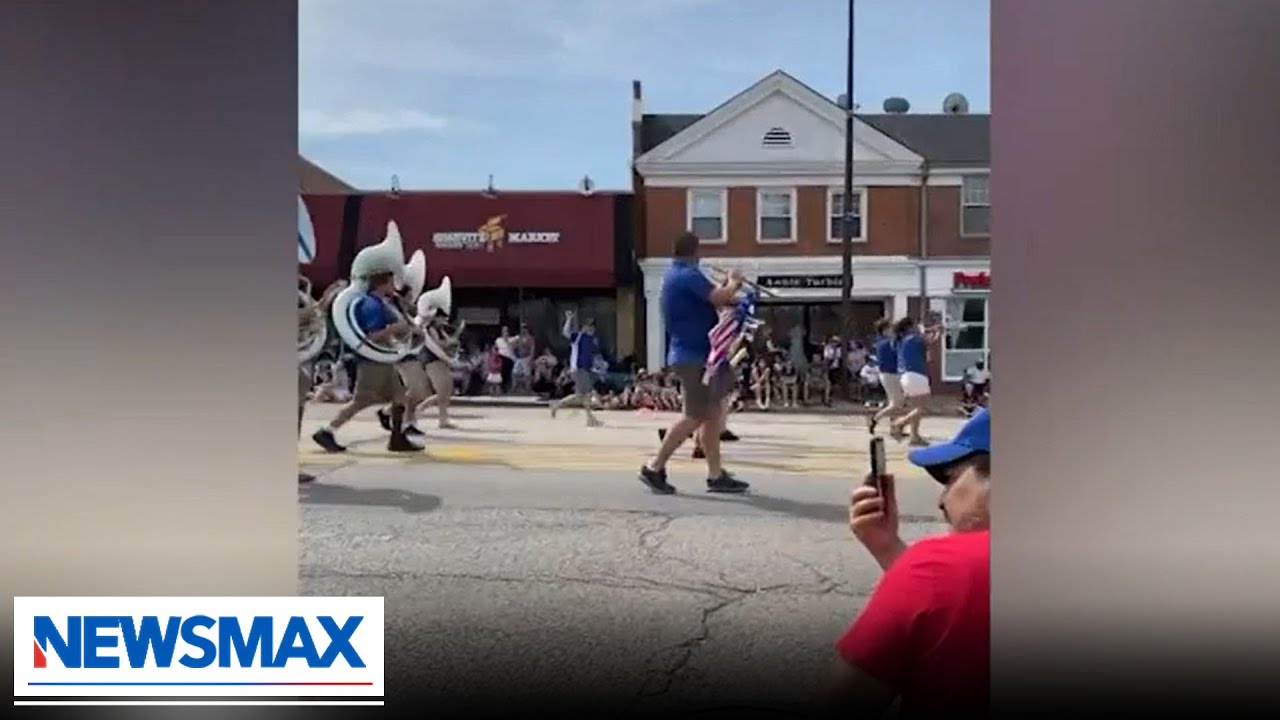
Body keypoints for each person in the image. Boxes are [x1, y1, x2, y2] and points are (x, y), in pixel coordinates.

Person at [816, 409, 991, 718]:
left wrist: (913, 570)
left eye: (950, 478)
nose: (941, 500)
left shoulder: (937, 569)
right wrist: (889, 550)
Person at [639, 232, 750, 495]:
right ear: (695, 250)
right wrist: (734, 282)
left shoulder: (676, 275)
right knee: (695, 415)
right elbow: (719, 298)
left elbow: (714, 296)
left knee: (711, 416)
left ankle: (715, 475)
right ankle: (654, 467)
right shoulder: (688, 275)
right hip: (693, 357)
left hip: (698, 355)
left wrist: (727, 287)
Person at [311, 271, 422, 453]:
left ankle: (397, 437)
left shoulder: (380, 304)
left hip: (383, 360)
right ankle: (327, 431)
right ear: (382, 284)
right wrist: (395, 328)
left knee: (400, 396)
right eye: (391, 283)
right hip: (372, 361)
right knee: (361, 400)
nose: (394, 287)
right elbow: (371, 336)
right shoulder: (371, 305)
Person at [548, 311, 602, 427]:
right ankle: (590, 420)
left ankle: (557, 405)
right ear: (584, 327)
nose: (591, 328)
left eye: (592, 326)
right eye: (589, 325)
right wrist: (568, 319)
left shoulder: (591, 340)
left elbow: (592, 356)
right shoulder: (579, 336)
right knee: (586, 394)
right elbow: (565, 333)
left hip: (584, 370)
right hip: (578, 369)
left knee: (580, 396)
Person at [890, 317, 935, 445]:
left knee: (915, 408)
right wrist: (935, 331)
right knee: (923, 407)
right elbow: (929, 340)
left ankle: (914, 436)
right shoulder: (914, 338)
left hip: (905, 376)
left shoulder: (901, 340)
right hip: (917, 375)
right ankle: (900, 423)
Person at [867, 318, 903, 434]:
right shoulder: (886, 343)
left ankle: (894, 427)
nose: (892, 330)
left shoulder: (884, 341)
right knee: (896, 403)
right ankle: (875, 419)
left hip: (890, 374)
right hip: (890, 374)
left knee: (896, 402)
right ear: (884, 330)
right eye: (890, 328)